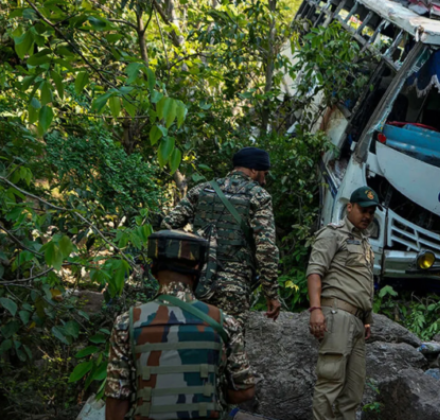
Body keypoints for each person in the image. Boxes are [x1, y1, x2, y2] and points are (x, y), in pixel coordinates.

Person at [105, 230, 255, 420]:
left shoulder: (127, 323)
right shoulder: (224, 323)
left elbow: (116, 399)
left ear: (153, 269)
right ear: (198, 270)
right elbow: (245, 391)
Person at [161, 147, 281, 325]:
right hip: (233, 288)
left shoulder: (202, 190)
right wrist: (271, 293)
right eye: (265, 173)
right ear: (254, 170)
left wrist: (189, 261)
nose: (264, 180)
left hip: (196, 283)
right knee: (229, 343)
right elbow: (266, 248)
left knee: (196, 340)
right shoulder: (259, 197)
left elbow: (168, 225)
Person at [306, 186, 380, 420]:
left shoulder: (365, 243)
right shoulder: (332, 234)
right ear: (349, 207)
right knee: (330, 383)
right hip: (336, 315)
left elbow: (362, 283)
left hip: (358, 322)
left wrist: (366, 320)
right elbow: (315, 272)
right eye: (362, 210)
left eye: (371, 212)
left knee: (353, 392)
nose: (367, 216)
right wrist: (316, 310)